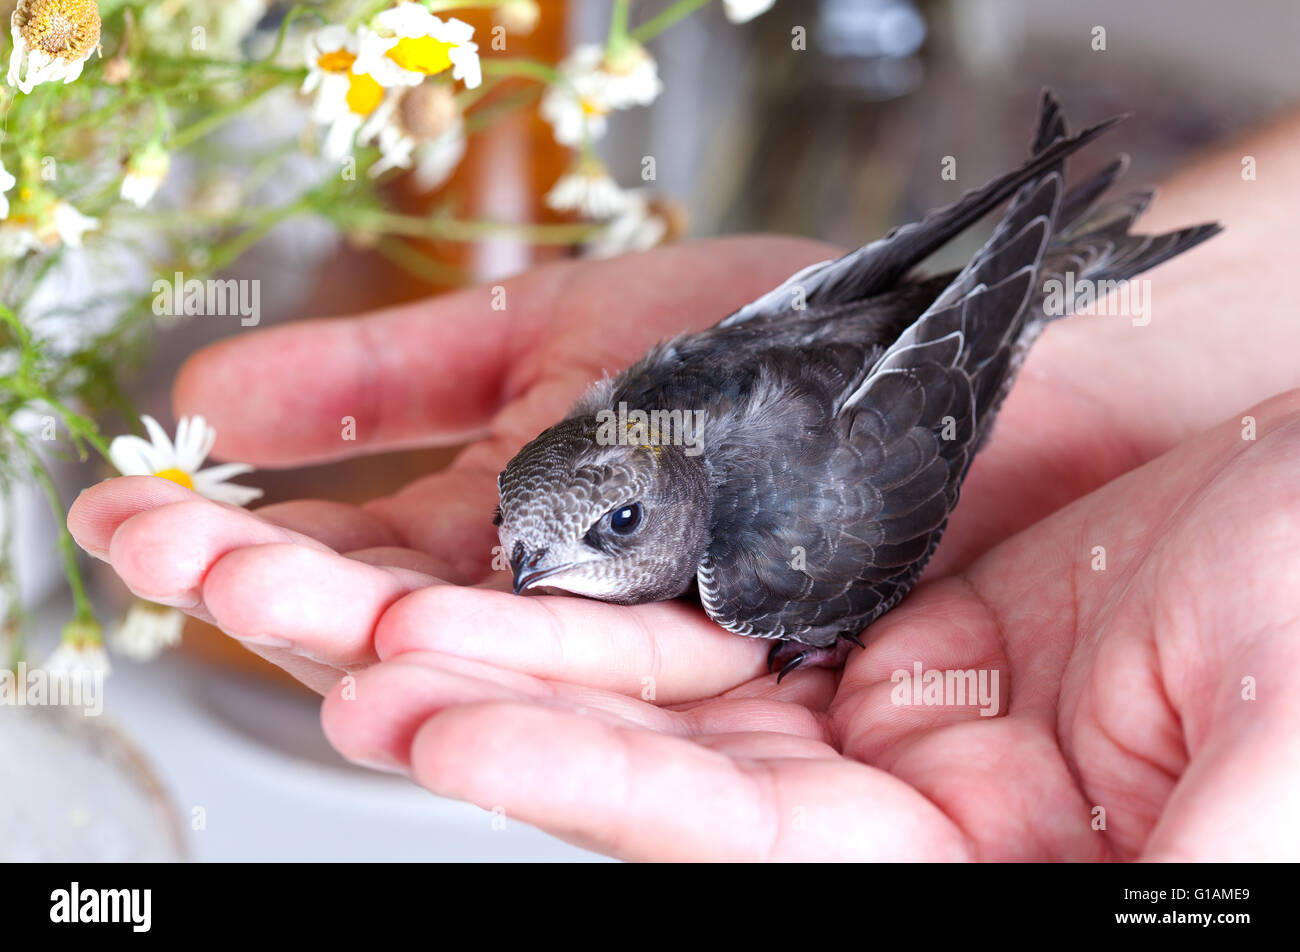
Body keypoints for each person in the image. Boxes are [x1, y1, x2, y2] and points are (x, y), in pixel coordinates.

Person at [69, 111, 1300, 861]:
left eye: (608, 529)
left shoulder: (759, 563)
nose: (528, 570)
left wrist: (1008, 290)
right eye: (520, 532)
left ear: (655, 511)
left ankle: (1053, 257)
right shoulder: (620, 420)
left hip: (929, 363)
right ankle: (1052, 253)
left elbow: (905, 381)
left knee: (996, 304)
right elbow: (782, 335)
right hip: (874, 334)